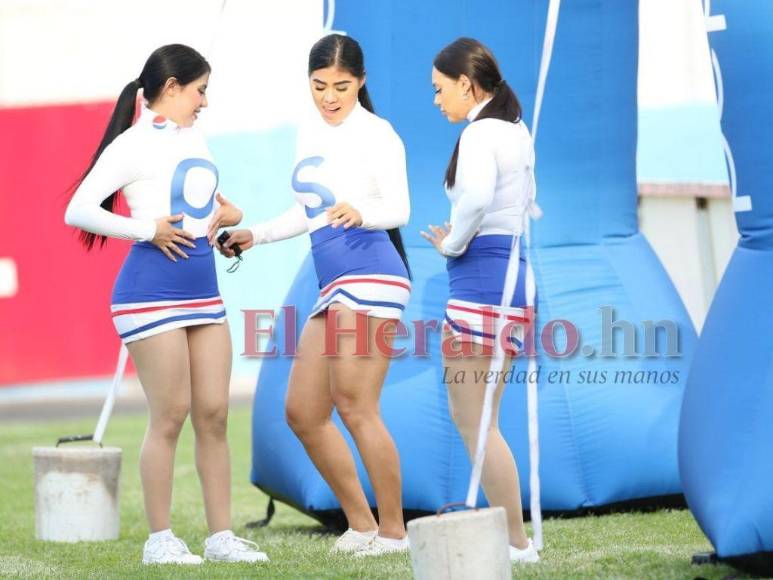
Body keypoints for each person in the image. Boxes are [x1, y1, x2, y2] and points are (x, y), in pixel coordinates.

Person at [65, 44, 268, 566]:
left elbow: (198, 212)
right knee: (171, 414)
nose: (205, 101)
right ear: (172, 86)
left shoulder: (196, 137)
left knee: (215, 414)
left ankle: (221, 537)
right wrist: (146, 230)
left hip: (203, 288)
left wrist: (229, 216)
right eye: (200, 90)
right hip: (149, 293)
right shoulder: (131, 143)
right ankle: (160, 539)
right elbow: (79, 210)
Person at [219, 33, 411, 557]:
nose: (330, 96)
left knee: (356, 404)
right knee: (303, 411)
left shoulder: (378, 133)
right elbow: (305, 214)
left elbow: (399, 208)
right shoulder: (310, 135)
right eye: (320, 86)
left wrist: (361, 212)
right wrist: (253, 234)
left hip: (371, 275)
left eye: (342, 87)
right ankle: (362, 526)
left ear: (361, 82)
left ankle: (394, 532)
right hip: (335, 283)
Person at [420, 37, 541, 564]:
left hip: (482, 281)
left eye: (440, 89)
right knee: (484, 420)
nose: (436, 99)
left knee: (474, 421)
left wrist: (451, 243)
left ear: (467, 85)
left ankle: (516, 542)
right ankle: (516, 540)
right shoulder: (517, 129)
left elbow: (476, 198)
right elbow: (519, 206)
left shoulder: (480, 132)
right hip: (512, 279)